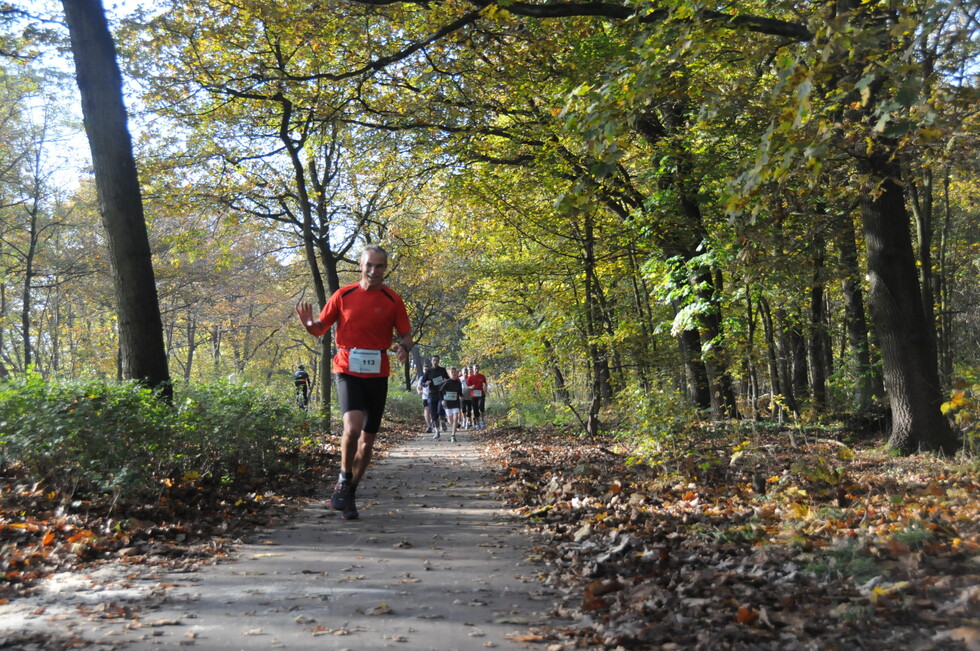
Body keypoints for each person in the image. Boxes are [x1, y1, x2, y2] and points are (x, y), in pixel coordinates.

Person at [295, 244, 413, 521]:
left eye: (380, 266)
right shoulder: (342, 295)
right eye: (369, 265)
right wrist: (308, 324)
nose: (374, 271)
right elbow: (320, 329)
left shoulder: (393, 299)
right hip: (347, 368)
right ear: (360, 265)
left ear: (385, 268)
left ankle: (349, 492)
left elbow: (406, 335)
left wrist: (404, 348)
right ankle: (343, 477)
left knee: (368, 443)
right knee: (352, 428)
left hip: (378, 373)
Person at [423, 355, 450, 437]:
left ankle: (442, 421)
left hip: (441, 394)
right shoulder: (428, 371)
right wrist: (425, 383)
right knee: (433, 414)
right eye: (433, 360)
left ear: (438, 361)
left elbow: (448, 379)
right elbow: (423, 383)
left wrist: (445, 381)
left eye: (436, 360)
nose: (435, 362)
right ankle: (437, 431)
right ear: (431, 361)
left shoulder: (442, 370)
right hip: (431, 394)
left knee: (440, 410)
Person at [441, 367, 463, 442]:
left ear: (457, 374)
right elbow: (440, 391)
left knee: (456, 417)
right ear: (449, 374)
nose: (454, 374)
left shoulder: (458, 382)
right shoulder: (446, 382)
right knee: (451, 421)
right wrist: (443, 400)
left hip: (456, 403)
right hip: (448, 404)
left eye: (455, 372)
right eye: (452, 372)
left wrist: (461, 396)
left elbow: (460, 392)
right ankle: (447, 419)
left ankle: (453, 435)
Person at [467, 363, 488, 428]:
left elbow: (485, 383)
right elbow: (467, 386)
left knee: (481, 407)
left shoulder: (482, 376)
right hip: (474, 395)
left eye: (478, 368)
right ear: (473, 369)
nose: (477, 369)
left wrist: (485, 388)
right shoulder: (470, 377)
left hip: (481, 394)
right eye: (475, 368)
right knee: (475, 410)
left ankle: (482, 421)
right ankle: (477, 423)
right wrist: (471, 387)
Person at [416, 362, 433, 433]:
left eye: (427, 369)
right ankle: (429, 426)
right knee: (426, 410)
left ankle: (434, 421)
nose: (425, 370)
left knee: (433, 411)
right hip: (425, 396)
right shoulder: (421, 378)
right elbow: (418, 387)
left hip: (432, 396)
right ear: (423, 370)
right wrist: (419, 391)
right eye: (424, 369)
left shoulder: (432, 377)